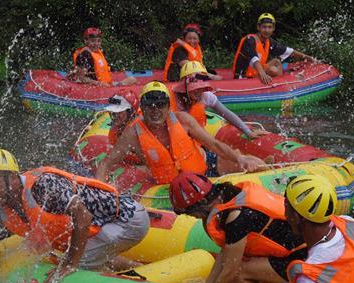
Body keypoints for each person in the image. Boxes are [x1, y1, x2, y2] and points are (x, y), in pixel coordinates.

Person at [0, 149, 149, 283]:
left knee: (71, 262)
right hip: (106, 229)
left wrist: (70, 264)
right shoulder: (5, 214)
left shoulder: (43, 187)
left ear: (12, 177)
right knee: (63, 253)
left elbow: (83, 216)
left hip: (127, 219)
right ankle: (142, 269)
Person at [96, 82, 266, 184]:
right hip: (170, 184)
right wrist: (101, 191)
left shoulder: (183, 120)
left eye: (161, 105)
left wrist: (239, 159)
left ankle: (265, 164)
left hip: (205, 167)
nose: (155, 111)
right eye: (150, 106)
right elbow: (106, 164)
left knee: (254, 163)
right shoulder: (132, 134)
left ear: (168, 106)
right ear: (143, 108)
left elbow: (214, 145)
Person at [169, 173, 307, 283]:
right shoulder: (229, 195)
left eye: (191, 213)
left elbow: (230, 270)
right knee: (237, 264)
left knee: (240, 272)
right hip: (293, 251)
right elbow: (225, 252)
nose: (193, 217)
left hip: (304, 258)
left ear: (203, 203)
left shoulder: (237, 217)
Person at [172, 61, 265, 138]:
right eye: (194, 88)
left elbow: (227, 113)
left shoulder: (206, 96)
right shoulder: (173, 99)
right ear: (184, 86)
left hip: (197, 139)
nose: (198, 91)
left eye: (201, 88)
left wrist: (247, 131)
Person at [232, 13, 317, 83]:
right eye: (264, 27)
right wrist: (263, 74)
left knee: (276, 61)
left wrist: (309, 58)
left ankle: (281, 81)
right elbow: (254, 59)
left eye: (269, 27)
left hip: (255, 74)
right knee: (273, 69)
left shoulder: (269, 42)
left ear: (273, 28)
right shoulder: (249, 40)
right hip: (243, 77)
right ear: (258, 27)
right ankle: (280, 83)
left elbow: (290, 51)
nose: (267, 30)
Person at [71, 27, 137, 87]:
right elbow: (81, 78)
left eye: (98, 41)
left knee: (132, 80)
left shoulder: (97, 53)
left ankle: (117, 86)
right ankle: (117, 87)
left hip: (106, 85)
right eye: (93, 41)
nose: (96, 44)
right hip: (95, 87)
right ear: (86, 41)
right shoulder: (84, 55)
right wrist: (98, 83)